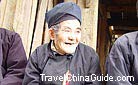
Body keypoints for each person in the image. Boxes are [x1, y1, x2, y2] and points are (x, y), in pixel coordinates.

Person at [23, 2, 101, 85]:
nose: (72, 37)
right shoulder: (39, 55)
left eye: (77, 31)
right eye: (67, 30)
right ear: (52, 34)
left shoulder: (89, 56)